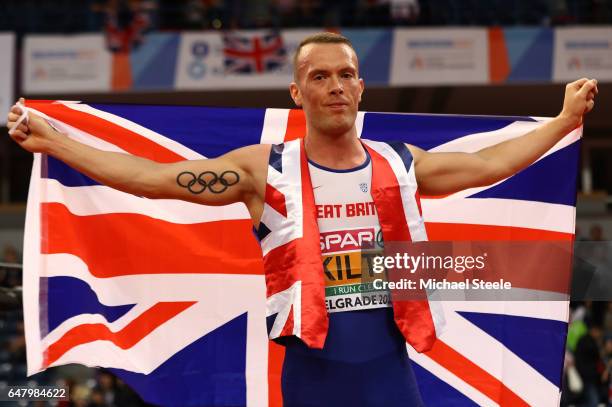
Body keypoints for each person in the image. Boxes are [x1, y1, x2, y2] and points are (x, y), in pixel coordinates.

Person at [7, 32, 598, 406]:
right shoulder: (264, 172)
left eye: (345, 74)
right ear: (297, 92)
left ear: (361, 86)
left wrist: (563, 120)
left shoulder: (400, 163)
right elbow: (152, 180)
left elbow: (490, 162)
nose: (335, 86)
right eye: (320, 76)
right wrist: (59, 144)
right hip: (311, 380)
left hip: (392, 378)